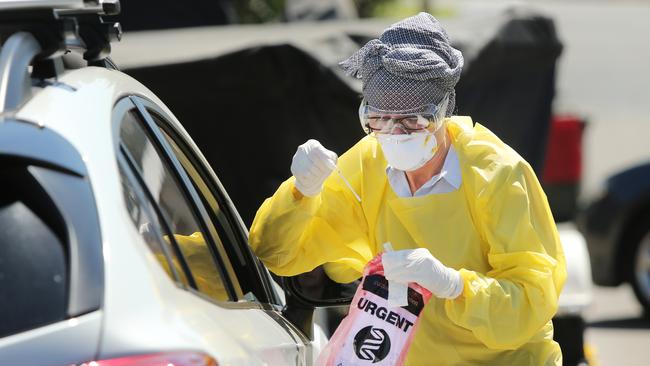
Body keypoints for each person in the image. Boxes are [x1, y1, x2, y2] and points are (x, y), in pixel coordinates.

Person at [249, 12, 566, 365]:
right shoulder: (368, 166)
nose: (395, 133)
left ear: (443, 110)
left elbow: (532, 302)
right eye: (379, 119)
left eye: (412, 120)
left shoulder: (498, 175)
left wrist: (452, 285)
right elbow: (277, 253)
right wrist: (301, 193)